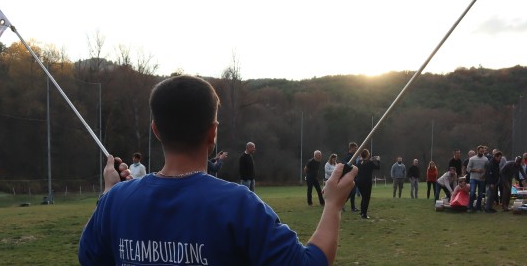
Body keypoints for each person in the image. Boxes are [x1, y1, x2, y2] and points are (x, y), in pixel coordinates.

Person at [79, 75, 357, 265]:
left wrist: (108, 193)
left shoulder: (114, 201)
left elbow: (90, 257)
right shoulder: (239, 205)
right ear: (213, 133)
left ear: (156, 131)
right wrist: (332, 205)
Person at [355, 150, 380, 219]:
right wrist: (378, 160)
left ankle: (362, 212)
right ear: (367, 155)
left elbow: (364, 164)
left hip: (359, 182)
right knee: (366, 198)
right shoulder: (370, 163)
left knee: (363, 197)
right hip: (367, 182)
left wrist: (370, 160)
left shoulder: (359, 162)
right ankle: (364, 214)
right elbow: (378, 167)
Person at [466, 146, 489, 213]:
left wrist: (484, 175)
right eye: (480, 151)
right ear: (477, 151)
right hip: (473, 178)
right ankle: (470, 207)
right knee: (472, 192)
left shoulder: (486, 159)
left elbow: (487, 169)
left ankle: (478, 208)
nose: (482, 152)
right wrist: (476, 170)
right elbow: (468, 169)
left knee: (480, 194)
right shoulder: (472, 159)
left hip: (481, 179)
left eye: (482, 151)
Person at [345, 142, 360, 212]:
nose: (356, 150)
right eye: (355, 148)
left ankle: (353, 207)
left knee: (352, 193)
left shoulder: (353, 156)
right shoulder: (348, 156)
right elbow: (347, 166)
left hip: (353, 176)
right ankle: (341, 204)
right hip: (350, 177)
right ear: (351, 148)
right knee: (351, 192)